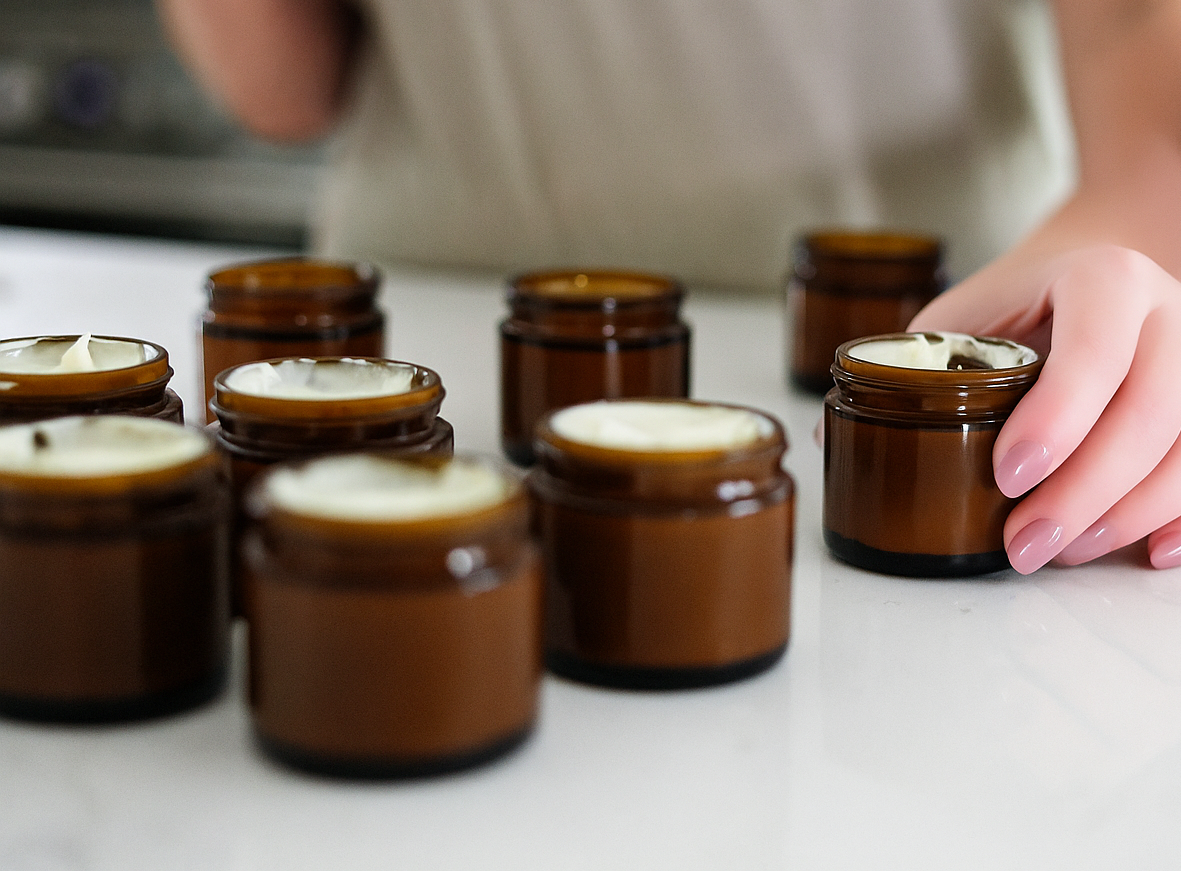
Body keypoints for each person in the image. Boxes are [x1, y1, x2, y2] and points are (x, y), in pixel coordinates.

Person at [158, 0, 1181, 575]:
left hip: (927, 382)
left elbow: (1150, 124)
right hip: (403, 364)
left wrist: (1111, 312)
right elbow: (282, 91)